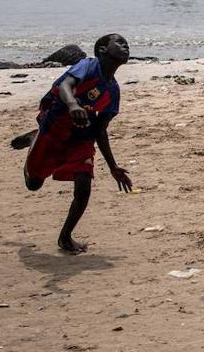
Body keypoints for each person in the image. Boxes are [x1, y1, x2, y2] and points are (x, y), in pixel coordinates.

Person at [23, 33, 133, 253]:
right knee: (33, 184)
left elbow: (101, 131)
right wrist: (73, 105)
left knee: (83, 186)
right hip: (54, 126)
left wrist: (113, 167)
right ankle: (34, 138)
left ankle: (65, 236)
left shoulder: (113, 90)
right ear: (102, 50)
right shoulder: (88, 66)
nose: (125, 47)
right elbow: (66, 85)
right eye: (119, 43)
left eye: (127, 44)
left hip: (82, 136)